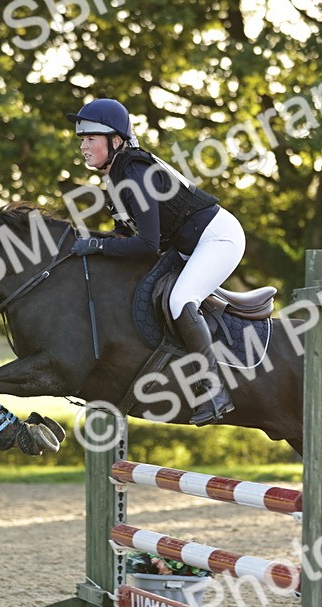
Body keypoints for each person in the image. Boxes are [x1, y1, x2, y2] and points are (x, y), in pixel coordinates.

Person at [67, 98, 243, 425]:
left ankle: (215, 389)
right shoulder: (118, 176)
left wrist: (96, 246)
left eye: (91, 138)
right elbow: (125, 235)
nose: (84, 147)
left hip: (218, 238)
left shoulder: (134, 173)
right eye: (82, 140)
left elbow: (147, 245)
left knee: (180, 299)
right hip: (189, 244)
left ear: (115, 141)